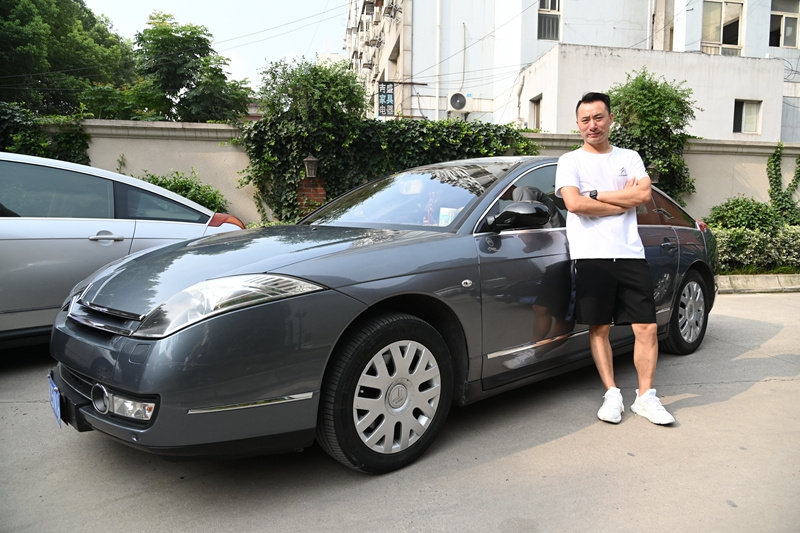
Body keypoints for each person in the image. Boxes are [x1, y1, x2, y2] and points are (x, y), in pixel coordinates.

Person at [554, 92, 675, 425]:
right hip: (591, 255)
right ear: (577, 124)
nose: (592, 125)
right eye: (585, 120)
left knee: (647, 327)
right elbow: (574, 204)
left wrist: (595, 195)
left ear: (610, 119)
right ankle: (612, 393)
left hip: (629, 252)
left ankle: (645, 397)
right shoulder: (570, 161)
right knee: (599, 328)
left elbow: (643, 194)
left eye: (598, 118)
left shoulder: (629, 157)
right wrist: (622, 202)